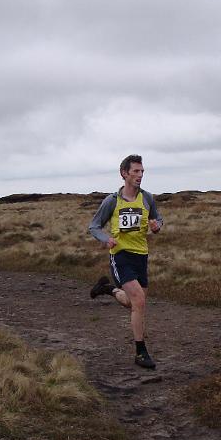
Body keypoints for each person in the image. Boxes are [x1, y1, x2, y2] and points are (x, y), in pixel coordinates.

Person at [88, 155, 163, 369]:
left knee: (132, 303)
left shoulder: (147, 198)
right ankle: (140, 352)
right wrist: (106, 239)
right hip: (120, 256)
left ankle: (107, 289)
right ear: (124, 173)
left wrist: (157, 227)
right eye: (135, 172)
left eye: (142, 172)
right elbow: (94, 226)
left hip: (141, 256)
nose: (140, 176)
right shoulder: (112, 201)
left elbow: (158, 219)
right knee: (139, 300)